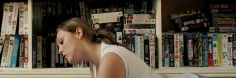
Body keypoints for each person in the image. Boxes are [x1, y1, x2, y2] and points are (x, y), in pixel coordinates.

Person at [56, 17, 206, 78]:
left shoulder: (110, 59)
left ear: (78, 33)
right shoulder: (94, 64)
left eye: (62, 42)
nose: (59, 50)